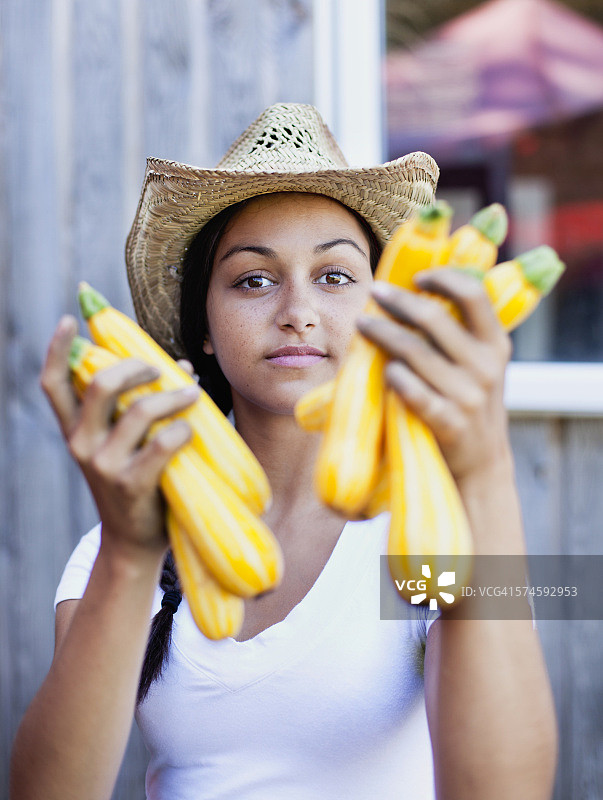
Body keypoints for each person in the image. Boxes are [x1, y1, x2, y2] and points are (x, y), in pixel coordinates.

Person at [10, 103, 558, 799]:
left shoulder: (430, 531)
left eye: (334, 277)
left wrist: (485, 471)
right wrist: (127, 554)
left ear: (384, 310)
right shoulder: (117, 546)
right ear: (203, 327)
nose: (297, 309)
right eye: (253, 279)